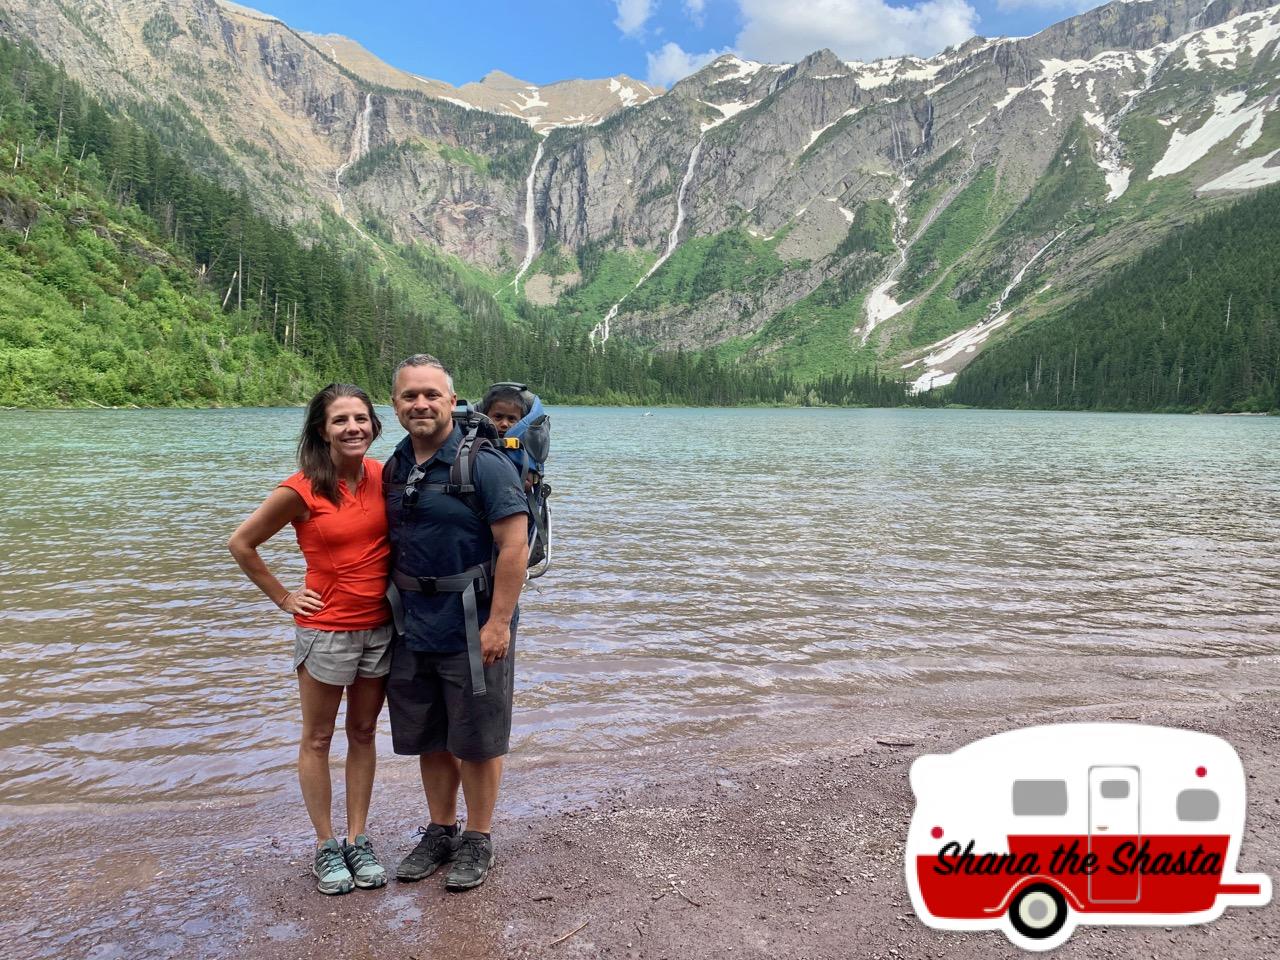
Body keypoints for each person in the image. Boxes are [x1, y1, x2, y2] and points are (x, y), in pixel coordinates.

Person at [227, 383, 392, 896]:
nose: (353, 428)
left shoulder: (385, 475)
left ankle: (357, 838)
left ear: (373, 425)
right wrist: (283, 598)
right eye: (341, 420)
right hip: (326, 631)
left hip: (381, 628)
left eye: (361, 418)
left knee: (363, 734)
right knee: (318, 738)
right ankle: (325, 846)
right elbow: (242, 543)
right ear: (322, 430)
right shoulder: (301, 489)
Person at [383, 354, 530, 892]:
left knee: (478, 738)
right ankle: (441, 830)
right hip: (414, 624)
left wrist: (500, 622)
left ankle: (478, 837)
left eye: (430, 394)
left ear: (451, 399)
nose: (420, 404)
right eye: (408, 396)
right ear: (395, 404)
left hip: (474, 625)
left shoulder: (485, 465)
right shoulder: (397, 464)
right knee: (431, 736)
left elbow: (515, 544)